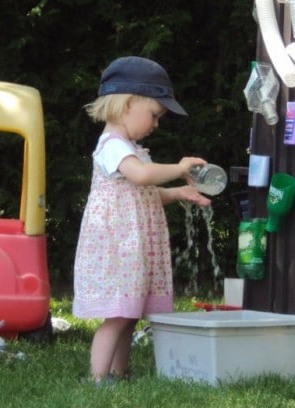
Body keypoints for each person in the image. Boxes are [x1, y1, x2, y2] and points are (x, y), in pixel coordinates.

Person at [73, 56, 211, 385]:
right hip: (118, 246)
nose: (156, 124)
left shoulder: (130, 149)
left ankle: (118, 374)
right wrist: (180, 168)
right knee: (118, 316)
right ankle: (96, 378)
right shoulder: (113, 146)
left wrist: (177, 193)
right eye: (154, 115)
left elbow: (143, 193)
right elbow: (142, 176)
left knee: (128, 313)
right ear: (128, 104)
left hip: (130, 248)